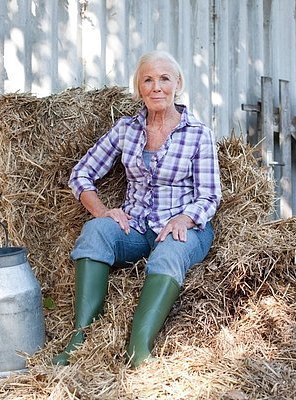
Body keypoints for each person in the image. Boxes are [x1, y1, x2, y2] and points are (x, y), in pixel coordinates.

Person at [52, 50, 222, 368]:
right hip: (137, 224)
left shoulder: (199, 135)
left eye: (164, 79)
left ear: (178, 84)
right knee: (95, 233)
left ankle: (139, 348)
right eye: (148, 80)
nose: (156, 87)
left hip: (184, 225)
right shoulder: (126, 129)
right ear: (139, 87)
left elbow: (210, 196)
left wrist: (185, 217)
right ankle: (80, 337)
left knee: (170, 252)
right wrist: (103, 211)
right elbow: (81, 174)